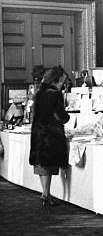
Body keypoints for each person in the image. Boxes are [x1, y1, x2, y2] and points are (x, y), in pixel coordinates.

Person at [28, 66, 70, 208]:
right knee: (48, 164)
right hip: (50, 133)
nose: (64, 82)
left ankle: (46, 193)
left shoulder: (40, 91)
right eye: (63, 79)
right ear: (57, 78)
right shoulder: (54, 93)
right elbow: (60, 116)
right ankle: (46, 194)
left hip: (38, 131)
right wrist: (67, 118)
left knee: (41, 163)